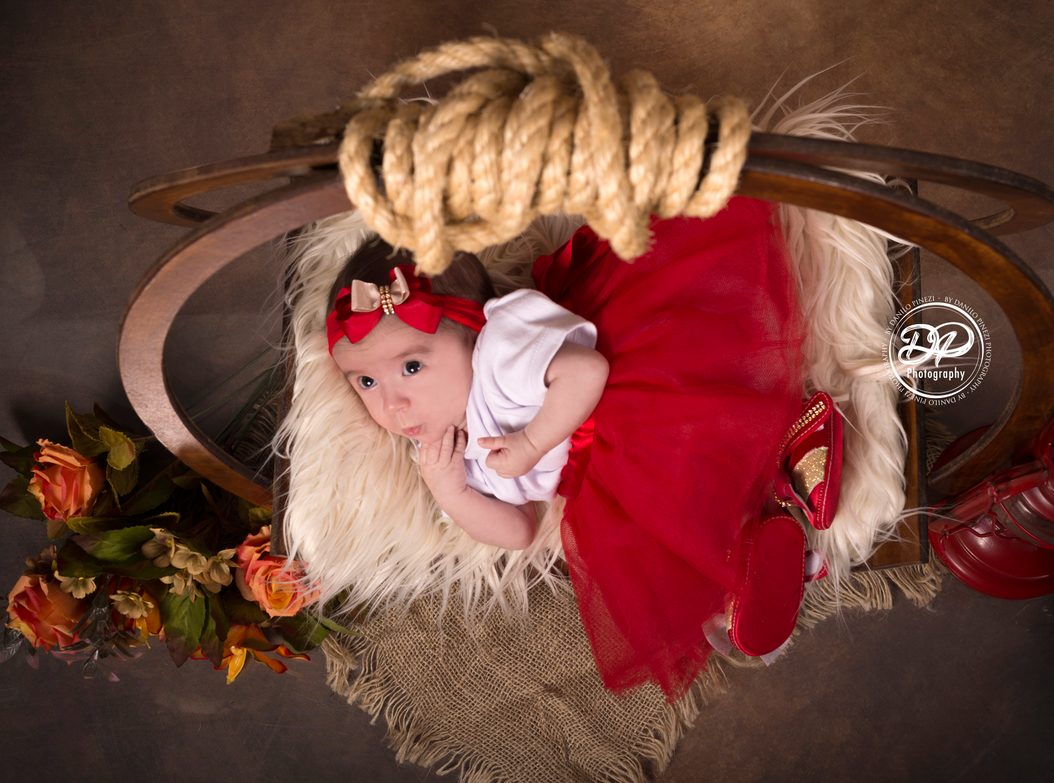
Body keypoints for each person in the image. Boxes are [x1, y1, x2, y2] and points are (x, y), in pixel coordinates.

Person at [319, 195, 814, 701]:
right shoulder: (450, 453)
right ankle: (772, 535)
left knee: (700, 446)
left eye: (411, 367)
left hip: (631, 391)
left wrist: (531, 444)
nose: (393, 404)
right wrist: (452, 494)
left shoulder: (499, 356)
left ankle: (791, 451)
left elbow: (586, 371)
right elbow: (519, 532)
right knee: (679, 525)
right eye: (364, 381)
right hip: (606, 468)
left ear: (471, 332)